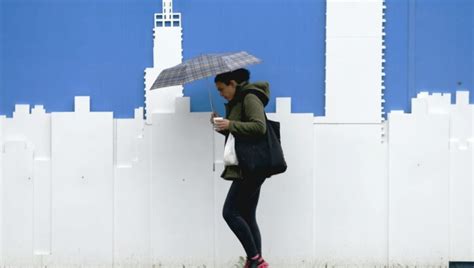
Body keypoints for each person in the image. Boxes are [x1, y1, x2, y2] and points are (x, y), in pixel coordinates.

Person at [210, 68, 270, 268]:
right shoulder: (237, 101)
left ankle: (255, 259)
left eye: (221, 89)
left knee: (230, 212)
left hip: (253, 165)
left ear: (233, 83)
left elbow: (259, 127)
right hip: (248, 164)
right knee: (247, 215)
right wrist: (222, 126)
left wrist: (230, 123)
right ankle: (256, 261)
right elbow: (239, 134)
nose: (220, 94)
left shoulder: (250, 97)